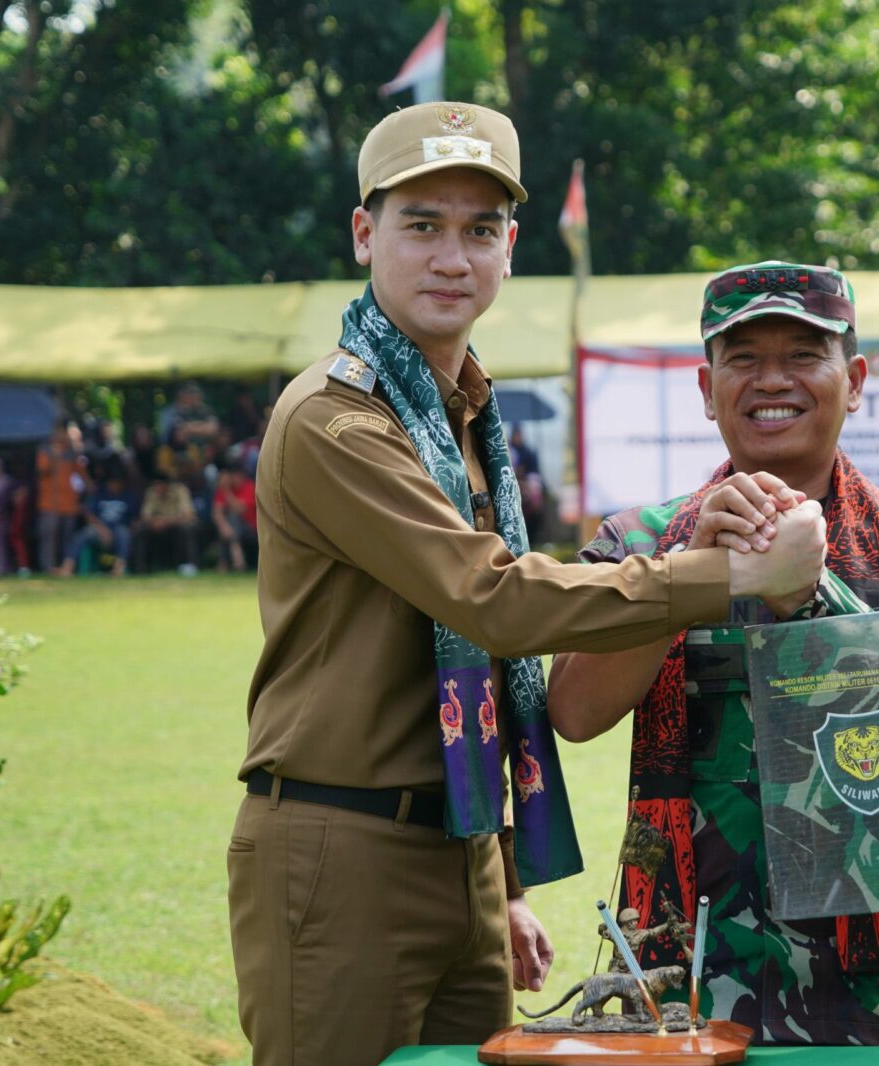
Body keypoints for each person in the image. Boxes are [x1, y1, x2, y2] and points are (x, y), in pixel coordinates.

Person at [228, 102, 825, 1066]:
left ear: (510, 249)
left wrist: (499, 882)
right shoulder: (337, 420)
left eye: (480, 230)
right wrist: (731, 574)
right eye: (422, 225)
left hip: (461, 850)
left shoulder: (459, 411)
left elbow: (458, 660)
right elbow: (493, 602)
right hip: (344, 846)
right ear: (364, 234)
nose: (451, 258)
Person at [547, 261, 879, 1046]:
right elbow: (574, 712)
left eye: (803, 356)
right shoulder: (638, 544)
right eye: (743, 358)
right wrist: (686, 576)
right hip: (684, 971)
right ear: (706, 390)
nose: (772, 380)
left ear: (854, 381)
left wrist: (810, 597)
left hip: (877, 983)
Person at [58, 469, 137, 576]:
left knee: (125, 534)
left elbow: (134, 518)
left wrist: (130, 529)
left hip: (119, 528)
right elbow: (89, 514)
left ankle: (119, 569)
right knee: (81, 535)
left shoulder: (128, 496)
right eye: (112, 482)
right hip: (99, 527)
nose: (115, 485)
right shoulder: (100, 495)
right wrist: (102, 530)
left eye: (117, 482)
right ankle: (67, 567)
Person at [35, 422, 86, 572]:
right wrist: (54, 455)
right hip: (49, 503)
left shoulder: (72, 453)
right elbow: (42, 470)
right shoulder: (45, 451)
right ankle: (48, 566)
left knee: (67, 536)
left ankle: (66, 566)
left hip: (69, 504)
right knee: (49, 535)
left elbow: (81, 474)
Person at [136, 472, 198, 575]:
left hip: (176, 524)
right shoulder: (151, 492)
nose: (158, 488)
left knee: (187, 528)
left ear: (167, 485)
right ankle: (141, 568)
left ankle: (191, 565)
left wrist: (166, 522)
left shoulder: (180, 490)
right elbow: (145, 515)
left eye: (160, 485)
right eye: (156, 485)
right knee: (140, 529)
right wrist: (154, 521)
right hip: (158, 526)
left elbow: (188, 515)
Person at [211, 459, 257, 572]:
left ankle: (224, 563)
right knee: (227, 524)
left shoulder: (249, 487)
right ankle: (238, 561)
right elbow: (217, 511)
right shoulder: (224, 489)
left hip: (250, 526)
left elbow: (240, 509)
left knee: (233, 517)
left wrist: (226, 491)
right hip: (231, 529)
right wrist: (223, 526)